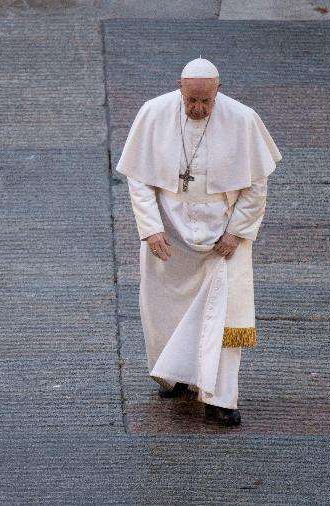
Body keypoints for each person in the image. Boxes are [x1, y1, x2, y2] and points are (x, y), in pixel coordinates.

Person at [115, 57, 282, 426]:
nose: (198, 108)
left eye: (206, 101)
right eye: (191, 100)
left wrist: (237, 231)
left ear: (217, 91)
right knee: (165, 310)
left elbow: (256, 184)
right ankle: (175, 374)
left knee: (224, 319)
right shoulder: (153, 113)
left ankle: (221, 398)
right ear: (180, 87)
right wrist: (151, 227)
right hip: (170, 234)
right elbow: (139, 179)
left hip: (223, 238)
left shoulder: (242, 120)